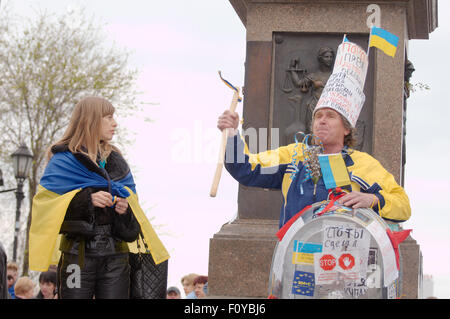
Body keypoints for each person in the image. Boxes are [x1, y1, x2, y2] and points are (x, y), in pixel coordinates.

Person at [29, 96, 169, 299]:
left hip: (116, 256)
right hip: (77, 255)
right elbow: (46, 210)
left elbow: (134, 222)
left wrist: (124, 210)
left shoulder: (117, 161)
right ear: (91, 120)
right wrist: (86, 200)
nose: (115, 123)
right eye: (109, 117)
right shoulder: (62, 161)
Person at [217, 106, 411, 229]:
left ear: (346, 129)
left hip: (345, 263)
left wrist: (374, 199)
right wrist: (233, 134)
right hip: (295, 258)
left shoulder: (364, 164)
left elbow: (403, 206)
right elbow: (244, 168)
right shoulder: (294, 155)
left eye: (330, 116)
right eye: (318, 116)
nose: (322, 121)